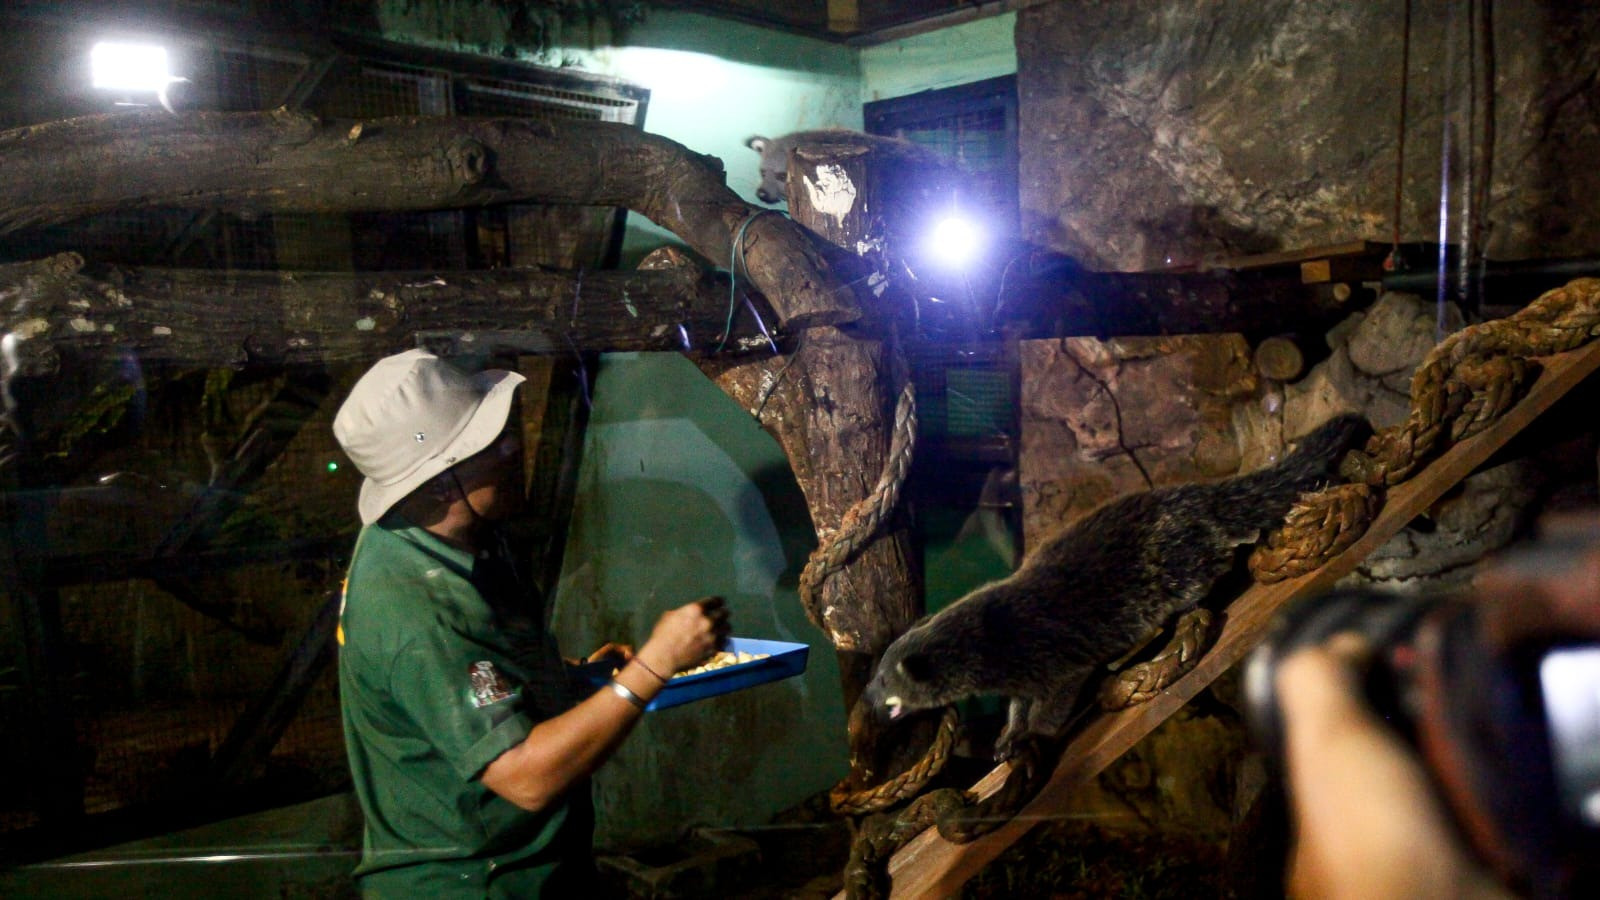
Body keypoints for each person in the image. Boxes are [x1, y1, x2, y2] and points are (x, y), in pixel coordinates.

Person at [331, 348, 730, 897]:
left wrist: (561, 679)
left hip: (528, 872)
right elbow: (525, 777)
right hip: (476, 886)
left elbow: (466, 681)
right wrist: (654, 666)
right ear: (443, 483)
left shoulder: (450, 539)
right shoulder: (415, 609)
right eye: (489, 444)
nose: (514, 445)